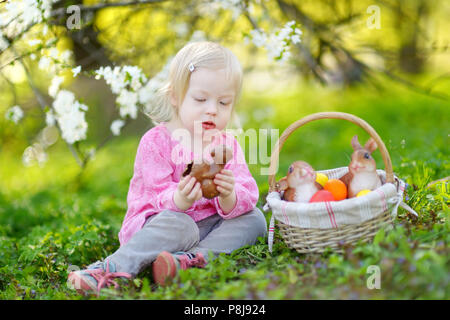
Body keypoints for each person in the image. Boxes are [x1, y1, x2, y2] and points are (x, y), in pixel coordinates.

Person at [68, 41, 267, 296]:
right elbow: (154, 194)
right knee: (181, 224)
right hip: (162, 228)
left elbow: (246, 190)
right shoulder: (156, 142)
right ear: (175, 96)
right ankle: (108, 269)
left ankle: (188, 262)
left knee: (255, 219)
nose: (212, 110)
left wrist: (230, 195)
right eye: (201, 99)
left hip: (208, 229)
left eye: (224, 103)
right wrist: (180, 198)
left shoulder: (227, 144)